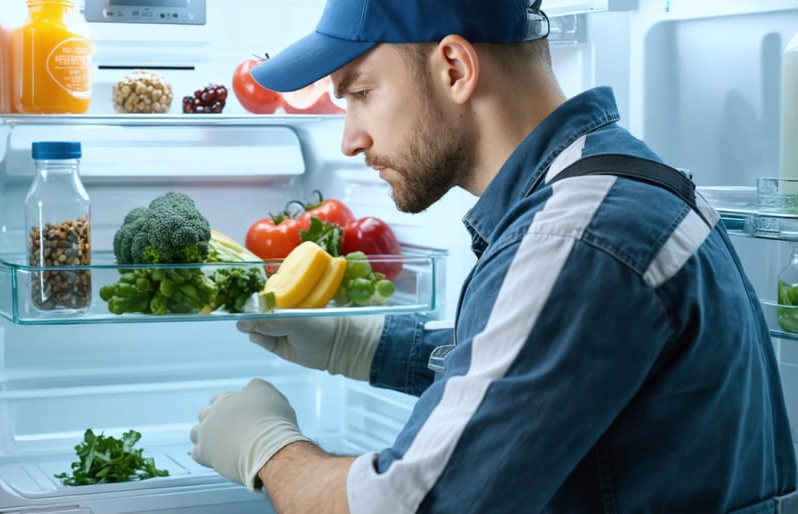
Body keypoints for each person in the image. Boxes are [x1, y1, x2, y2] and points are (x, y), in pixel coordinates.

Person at [189, 0, 798, 512]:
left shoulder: (580, 235)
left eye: (361, 94)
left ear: (454, 66)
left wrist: (267, 449)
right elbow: (551, 373)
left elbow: (415, 503)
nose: (350, 139)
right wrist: (365, 345)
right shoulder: (615, 185)